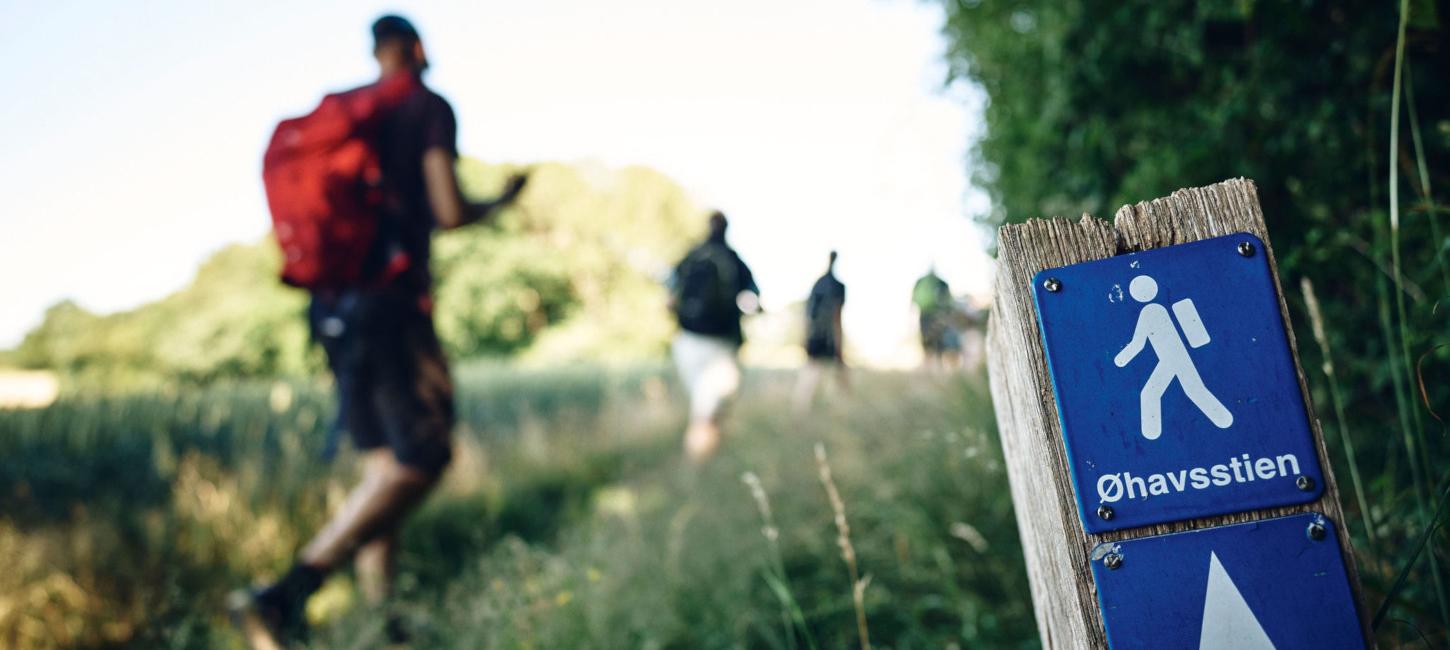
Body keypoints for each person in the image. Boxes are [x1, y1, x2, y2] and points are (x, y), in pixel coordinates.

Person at [230, 15, 527, 646]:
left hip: (331, 307)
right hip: (390, 303)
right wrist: (497, 204)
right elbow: (446, 209)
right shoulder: (425, 107)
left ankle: (384, 623)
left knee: (384, 467)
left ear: (376, 53)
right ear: (416, 50)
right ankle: (285, 595)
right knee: (424, 456)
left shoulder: (350, 117)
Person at [669, 211, 759, 462]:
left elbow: (669, 294)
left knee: (704, 410)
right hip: (720, 347)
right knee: (706, 415)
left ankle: (709, 460)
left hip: (686, 343)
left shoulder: (691, 256)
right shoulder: (733, 260)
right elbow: (753, 300)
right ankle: (697, 469)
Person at [793, 250, 848, 412]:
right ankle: (834, 410)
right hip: (828, 339)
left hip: (814, 337)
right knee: (833, 377)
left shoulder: (817, 284)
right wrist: (839, 346)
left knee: (810, 376)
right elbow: (837, 317)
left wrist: (805, 335)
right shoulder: (839, 286)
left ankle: (802, 410)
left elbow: (808, 313)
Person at [912, 267, 957, 369]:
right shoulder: (941, 283)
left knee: (927, 341)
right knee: (939, 341)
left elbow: (913, 299)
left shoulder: (920, 281)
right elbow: (948, 301)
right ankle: (938, 367)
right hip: (938, 315)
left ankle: (928, 367)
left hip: (924, 314)